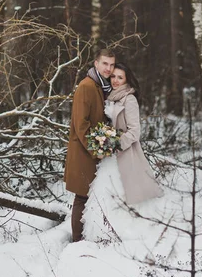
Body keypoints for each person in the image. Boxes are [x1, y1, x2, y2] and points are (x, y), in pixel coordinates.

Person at [82, 62, 163, 242]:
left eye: (120, 77)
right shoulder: (110, 97)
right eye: (113, 76)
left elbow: (135, 132)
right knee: (104, 193)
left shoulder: (129, 99)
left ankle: (125, 236)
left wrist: (114, 143)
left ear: (127, 80)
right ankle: (102, 234)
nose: (116, 80)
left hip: (125, 154)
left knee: (124, 194)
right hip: (108, 157)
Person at [64, 48, 116, 242]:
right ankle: (77, 241)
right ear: (96, 63)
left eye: (111, 65)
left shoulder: (101, 86)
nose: (108, 68)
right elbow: (81, 124)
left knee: (91, 197)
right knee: (82, 197)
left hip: (94, 150)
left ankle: (89, 237)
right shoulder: (86, 86)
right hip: (84, 152)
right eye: (105, 64)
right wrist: (97, 149)